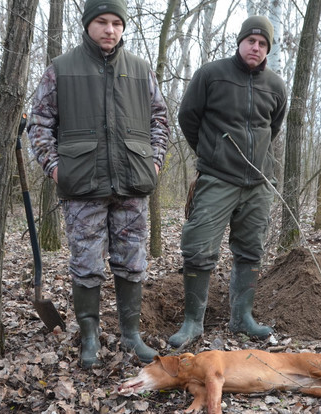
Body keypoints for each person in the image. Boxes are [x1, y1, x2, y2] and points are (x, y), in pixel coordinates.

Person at [26, 0, 169, 368]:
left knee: (132, 263)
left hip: (132, 184)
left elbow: (160, 119)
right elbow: (39, 123)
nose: (110, 30)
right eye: (102, 22)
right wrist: (56, 168)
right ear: (89, 24)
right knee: (86, 264)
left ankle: (131, 335)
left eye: (117, 23)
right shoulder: (62, 69)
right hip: (82, 186)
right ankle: (88, 337)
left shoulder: (140, 69)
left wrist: (153, 163)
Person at [169, 16, 287, 348]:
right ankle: (193, 322)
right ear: (240, 42)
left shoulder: (276, 86)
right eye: (251, 41)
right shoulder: (211, 74)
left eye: (263, 44)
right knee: (198, 248)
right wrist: (212, 152)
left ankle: (242, 318)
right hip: (217, 178)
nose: (256, 47)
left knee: (250, 249)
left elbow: (273, 126)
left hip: (258, 182)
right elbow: (187, 117)